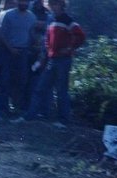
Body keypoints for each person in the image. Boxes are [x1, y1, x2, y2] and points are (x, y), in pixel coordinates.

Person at [12, 0, 85, 128]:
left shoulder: (68, 20)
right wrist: (43, 58)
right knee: (40, 88)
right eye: (51, 5)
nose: (53, 7)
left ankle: (63, 120)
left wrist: (69, 48)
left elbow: (80, 36)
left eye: (56, 4)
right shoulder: (51, 20)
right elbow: (48, 41)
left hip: (63, 61)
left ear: (62, 5)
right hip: (51, 60)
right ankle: (29, 116)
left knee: (61, 90)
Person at [0, 0, 36, 112]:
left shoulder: (32, 17)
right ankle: (2, 109)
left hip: (23, 52)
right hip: (8, 51)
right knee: (5, 79)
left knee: (22, 80)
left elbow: (31, 33)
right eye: (21, 1)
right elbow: (1, 34)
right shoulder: (8, 15)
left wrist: (36, 43)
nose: (24, 3)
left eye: (26, 1)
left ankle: (18, 107)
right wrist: (10, 48)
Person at [0, 0, 17, 118]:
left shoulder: (2, 15)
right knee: (3, 82)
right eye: (10, 3)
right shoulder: (4, 15)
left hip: (3, 53)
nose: (13, 5)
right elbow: (0, 36)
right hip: (3, 53)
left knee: (3, 82)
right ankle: (1, 108)